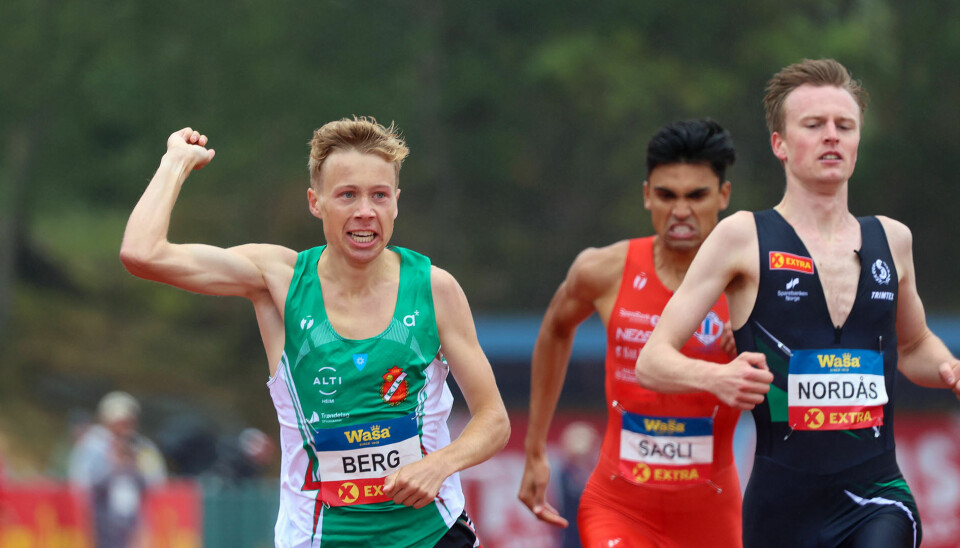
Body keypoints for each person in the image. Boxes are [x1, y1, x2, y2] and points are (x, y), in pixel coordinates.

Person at [119, 118, 510, 547]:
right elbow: (143, 254)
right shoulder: (278, 280)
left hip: (431, 535)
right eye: (347, 195)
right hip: (320, 537)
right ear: (315, 202)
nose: (365, 211)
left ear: (396, 202)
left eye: (379, 195)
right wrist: (175, 162)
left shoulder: (435, 289)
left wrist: (440, 464)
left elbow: (494, 420)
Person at [636, 59, 960, 548]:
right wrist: (716, 377)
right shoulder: (742, 237)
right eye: (814, 125)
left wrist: (950, 367)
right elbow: (651, 359)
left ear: (856, 140)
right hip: (781, 505)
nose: (832, 136)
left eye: (844, 126)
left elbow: (913, 346)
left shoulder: (893, 240)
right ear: (780, 145)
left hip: (876, 494)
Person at [518, 119, 742, 547]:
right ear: (646, 195)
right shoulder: (603, 270)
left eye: (696, 195)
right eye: (666, 195)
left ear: (723, 196)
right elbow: (554, 331)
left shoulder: (753, 284)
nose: (680, 211)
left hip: (711, 514)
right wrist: (535, 449)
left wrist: (759, 341)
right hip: (618, 507)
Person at [68, 391, 167, 548]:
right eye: (119, 421)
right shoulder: (92, 446)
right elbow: (81, 483)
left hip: (135, 522)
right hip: (101, 520)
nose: (123, 426)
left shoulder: (143, 447)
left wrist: (135, 463)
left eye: (127, 421)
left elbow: (158, 481)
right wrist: (113, 465)